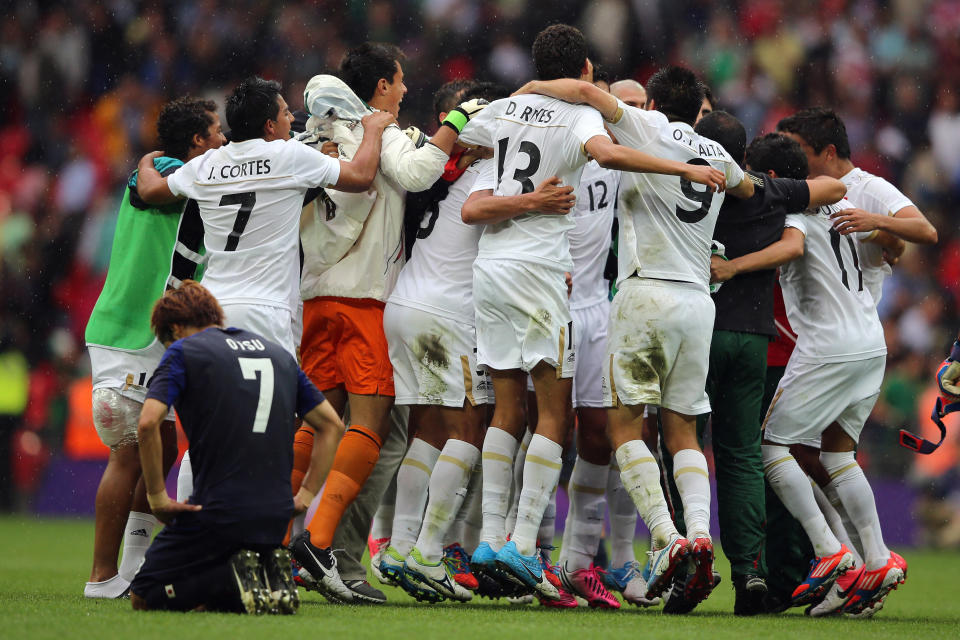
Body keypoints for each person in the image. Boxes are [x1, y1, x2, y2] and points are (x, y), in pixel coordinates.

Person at [461, 28, 728, 602]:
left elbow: (469, 135)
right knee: (541, 420)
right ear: (590, 85)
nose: (624, 114)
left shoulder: (610, 146)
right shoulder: (582, 134)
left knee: (602, 435)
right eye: (619, 105)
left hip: (595, 303)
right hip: (548, 286)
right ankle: (525, 548)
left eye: (634, 108)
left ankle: (589, 560)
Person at [512, 65, 754, 608]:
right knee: (684, 431)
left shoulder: (646, 131)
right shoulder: (718, 154)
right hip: (697, 304)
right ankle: (698, 535)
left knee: (625, 428)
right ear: (699, 110)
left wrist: (533, 89)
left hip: (645, 296)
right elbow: (747, 188)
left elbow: (580, 91)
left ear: (653, 106)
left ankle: (666, 541)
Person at [290, 43, 487, 604]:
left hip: (315, 297)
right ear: (380, 85)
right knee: (373, 427)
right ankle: (321, 542)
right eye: (399, 82)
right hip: (367, 301)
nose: (404, 92)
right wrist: (454, 123)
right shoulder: (380, 130)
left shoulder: (316, 138)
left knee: (311, 425)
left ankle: (281, 538)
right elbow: (422, 171)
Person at [658, 127, 846, 615]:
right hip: (752, 338)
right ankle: (751, 574)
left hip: (697, 331)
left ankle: (686, 571)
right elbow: (834, 188)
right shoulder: (769, 192)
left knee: (684, 449)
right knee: (742, 456)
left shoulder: (676, 183)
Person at [83, 96, 226, 599]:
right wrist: (145, 163)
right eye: (217, 132)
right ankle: (101, 578)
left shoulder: (186, 176)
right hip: (128, 334)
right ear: (196, 142)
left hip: (154, 335)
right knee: (127, 452)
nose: (224, 140)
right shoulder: (165, 169)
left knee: (163, 446)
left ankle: (137, 565)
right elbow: (148, 180)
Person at [129, 281, 345, 614]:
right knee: (210, 591)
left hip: (216, 512)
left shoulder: (184, 351)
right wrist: (305, 495)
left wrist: (157, 498)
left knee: (145, 593)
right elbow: (332, 425)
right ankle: (265, 577)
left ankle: (230, 580)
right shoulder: (279, 355)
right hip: (276, 518)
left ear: (174, 328)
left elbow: (147, 423)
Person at [759, 190, 907, 616]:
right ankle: (871, 561)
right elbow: (905, 240)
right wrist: (886, 232)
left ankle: (835, 553)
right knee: (833, 455)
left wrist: (732, 266)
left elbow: (791, 247)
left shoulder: (799, 214)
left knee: (775, 448)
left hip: (823, 347)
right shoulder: (846, 208)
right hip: (867, 342)